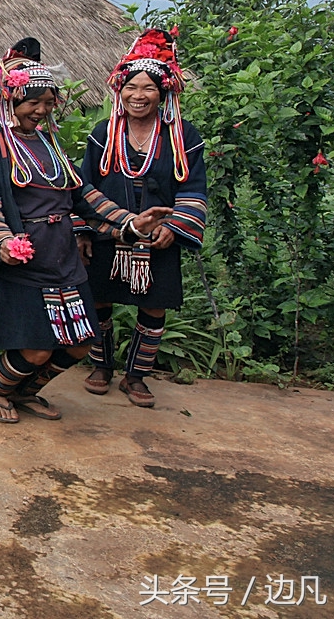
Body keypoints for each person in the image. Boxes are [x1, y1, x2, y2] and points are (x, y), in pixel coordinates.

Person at [0, 39, 170, 424]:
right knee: (37, 348)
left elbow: (84, 195)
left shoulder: (49, 143)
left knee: (79, 343)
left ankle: (24, 391)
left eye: (48, 102)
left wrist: (130, 222)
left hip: (62, 258)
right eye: (33, 103)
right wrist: (1, 241)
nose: (42, 111)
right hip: (24, 262)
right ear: (10, 100)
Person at [78, 28, 207, 407]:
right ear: (120, 91)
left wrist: (175, 226)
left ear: (162, 93)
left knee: (154, 306)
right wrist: (82, 230)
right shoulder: (104, 133)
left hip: (160, 236)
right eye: (131, 87)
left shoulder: (182, 137)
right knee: (99, 301)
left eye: (148, 88)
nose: (138, 95)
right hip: (109, 232)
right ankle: (101, 366)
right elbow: (84, 186)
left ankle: (136, 376)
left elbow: (194, 186)